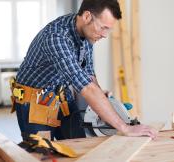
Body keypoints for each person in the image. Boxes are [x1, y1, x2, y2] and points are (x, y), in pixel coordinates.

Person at [12, 0, 157, 140]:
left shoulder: (86, 33)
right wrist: (125, 128)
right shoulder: (56, 37)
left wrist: (102, 98)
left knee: (79, 146)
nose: (105, 35)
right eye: (103, 27)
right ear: (87, 16)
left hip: (62, 97)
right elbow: (86, 88)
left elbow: (88, 75)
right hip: (35, 103)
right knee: (42, 153)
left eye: (109, 29)